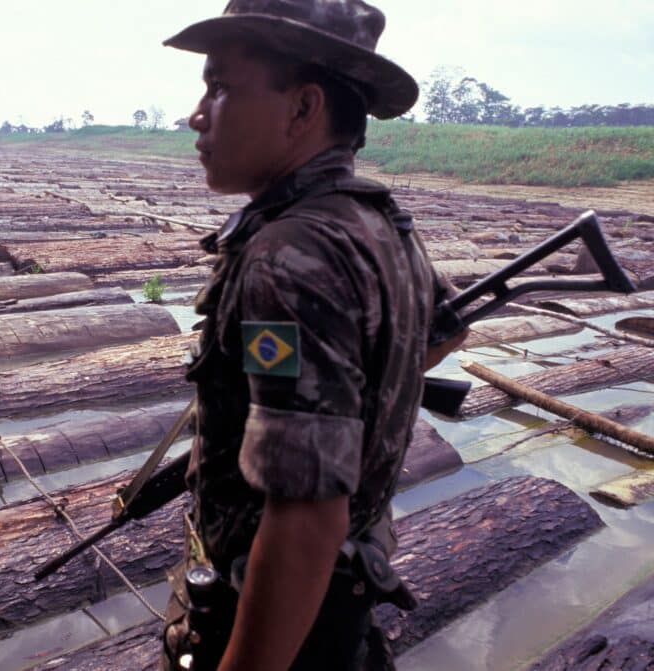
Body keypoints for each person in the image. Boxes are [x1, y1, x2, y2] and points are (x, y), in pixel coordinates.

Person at [159, 2, 463, 669]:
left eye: (221, 87)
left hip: (284, 621)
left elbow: (304, 518)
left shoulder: (289, 256)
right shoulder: (382, 226)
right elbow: (438, 332)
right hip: (339, 601)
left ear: (302, 109)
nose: (198, 113)